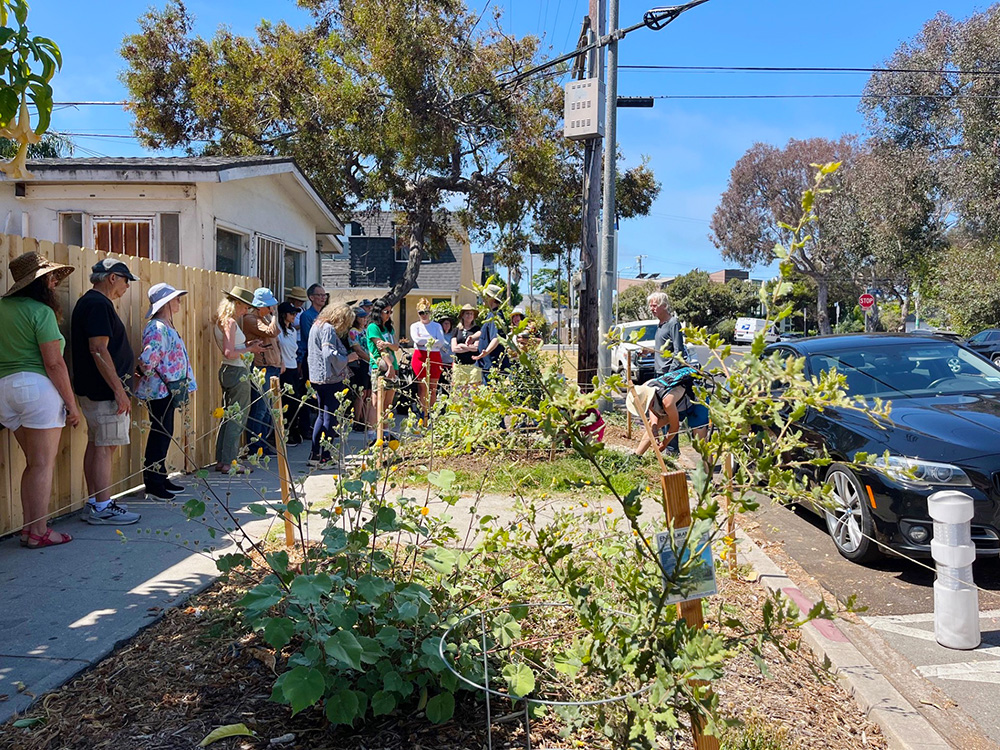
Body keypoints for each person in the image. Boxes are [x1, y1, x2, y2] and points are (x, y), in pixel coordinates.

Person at [0, 252, 80, 547]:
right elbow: (54, 363)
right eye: (51, 277)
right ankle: (40, 531)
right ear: (38, 282)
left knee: (33, 464)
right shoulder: (40, 311)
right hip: (35, 388)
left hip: (3, 391)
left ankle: (28, 529)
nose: (55, 281)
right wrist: (71, 405)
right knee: (43, 464)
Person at [71, 258, 142, 526]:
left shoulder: (91, 303)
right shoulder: (98, 304)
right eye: (126, 280)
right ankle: (102, 507)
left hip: (97, 389)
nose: (127, 287)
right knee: (105, 446)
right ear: (112, 277)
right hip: (104, 392)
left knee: (98, 443)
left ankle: (96, 502)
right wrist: (119, 390)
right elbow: (98, 349)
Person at [136, 283, 197, 500]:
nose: (179, 301)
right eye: (176, 298)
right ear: (166, 303)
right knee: (160, 434)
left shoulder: (165, 325)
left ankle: (160, 477)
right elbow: (147, 359)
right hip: (160, 389)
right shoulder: (157, 328)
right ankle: (153, 483)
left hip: (168, 388)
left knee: (164, 432)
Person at [213, 286, 265, 473]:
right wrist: (250, 349)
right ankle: (229, 462)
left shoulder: (221, 321)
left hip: (227, 370)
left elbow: (232, 348)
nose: (246, 312)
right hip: (237, 371)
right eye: (244, 307)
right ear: (236, 304)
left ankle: (221, 459)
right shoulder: (231, 323)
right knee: (238, 417)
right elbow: (230, 352)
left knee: (228, 416)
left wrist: (247, 345)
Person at [307, 303, 359, 465]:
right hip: (330, 378)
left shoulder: (316, 325)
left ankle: (315, 455)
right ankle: (325, 457)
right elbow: (328, 353)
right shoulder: (328, 328)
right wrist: (347, 359)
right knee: (331, 417)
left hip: (317, 376)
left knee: (321, 416)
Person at [647, 291, 694, 452]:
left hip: (668, 377)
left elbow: (677, 350)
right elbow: (662, 349)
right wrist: (649, 352)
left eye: (654, 305)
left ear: (663, 305)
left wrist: (671, 374)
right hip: (658, 373)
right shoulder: (660, 324)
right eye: (650, 305)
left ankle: (672, 450)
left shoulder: (673, 323)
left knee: (669, 411)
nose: (651, 308)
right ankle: (663, 446)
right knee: (656, 410)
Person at [627, 369, 709, 457]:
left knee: (701, 441)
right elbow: (652, 408)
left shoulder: (667, 402)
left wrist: (664, 444)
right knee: (651, 426)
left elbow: (675, 427)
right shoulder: (646, 387)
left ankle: (708, 469)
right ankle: (637, 456)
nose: (647, 408)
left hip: (697, 401)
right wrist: (655, 428)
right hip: (678, 404)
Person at [242, 287, 282, 454]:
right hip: (261, 367)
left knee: (268, 410)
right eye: (269, 306)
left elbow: (276, 334)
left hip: (272, 365)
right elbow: (272, 332)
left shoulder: (263, 318)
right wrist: (274, 317)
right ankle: (255, 446)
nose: (271, 309)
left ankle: (263, 444)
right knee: (260, 408)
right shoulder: (251, 319)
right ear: (260, 306)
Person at [367, 298, 401, 429]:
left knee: (388, 403)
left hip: (392, 365)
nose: (389, 314)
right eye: (386, 311)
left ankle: (385, 433)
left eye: (390, 311)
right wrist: (389, 365)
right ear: (378, 312)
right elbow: (380, 348)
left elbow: (396, 346)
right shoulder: (373, 327)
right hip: (380, 366)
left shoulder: (389, 328)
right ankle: (372, 434)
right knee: (376, 402)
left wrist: (388, 345)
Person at [276, 301, 306, 445]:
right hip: (283, 369)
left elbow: (295, 350)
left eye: (295, 313)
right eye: (291, 313)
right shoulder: (277, 330)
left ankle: (293, 430)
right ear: (283, 315)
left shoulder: (293, 331)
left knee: (295, 401)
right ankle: (284, 432)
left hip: (293, 367)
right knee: (286, 401)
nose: (294, 316)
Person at [409, 297, 445, 417]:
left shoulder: (436, 326)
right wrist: (431, 340)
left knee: (433, 388)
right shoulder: (415, 326)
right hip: (420, 356)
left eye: (426, 313)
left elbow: (441, 342)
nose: (424, 315)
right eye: (421, 313)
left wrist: (428, 341)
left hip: (434, 356)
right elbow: (417, 340)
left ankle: (430, 412)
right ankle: (423, 412)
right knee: (422, 387)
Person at [347, 306, 375, 439]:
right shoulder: (353, 332)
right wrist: (370, 359)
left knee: (369, 392)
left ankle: (365, 418)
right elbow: (357, 349)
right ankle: (357, 420)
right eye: (361, 317)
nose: (364, 319)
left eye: (365, 317)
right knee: (361, 393)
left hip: (369, 364)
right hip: (360, 364)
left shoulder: (365, 330)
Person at [473, 284, 509, 383]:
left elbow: (496, 338)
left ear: (491, 299)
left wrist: (486, 352)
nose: (483, 299)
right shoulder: (490, 314)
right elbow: (484, 332)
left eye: (485, 297)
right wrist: (472, 337)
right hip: (486, 364)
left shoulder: (496, 316)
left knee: (491, 391)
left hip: (493, 365)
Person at [451, 304, 482, 391]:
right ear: (463, 315)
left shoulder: (477, 330)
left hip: (473, 365)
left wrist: (462, 346)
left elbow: (476, 348)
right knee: (460, 393)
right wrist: (469, 347)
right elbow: (454, 348)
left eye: (471, 314)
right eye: (467, 313)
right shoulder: (456, 330)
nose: (469, 316)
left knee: (474, 392)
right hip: (459, 365)